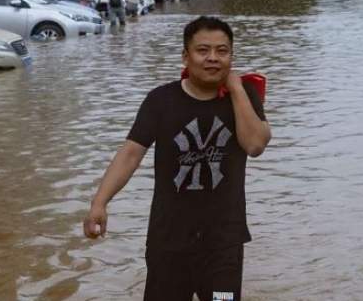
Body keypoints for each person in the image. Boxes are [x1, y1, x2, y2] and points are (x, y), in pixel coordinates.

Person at [83, 16, 272, 301]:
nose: (212, 58)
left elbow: (255, 144)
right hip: (168, 242)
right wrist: (100, 202)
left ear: (232, 56)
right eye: (203, 50)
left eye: (222, 51)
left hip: (223, 246)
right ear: (185, 56)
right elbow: (131, 154)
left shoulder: (243, 96)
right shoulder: (161, 100)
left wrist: (235, 89)